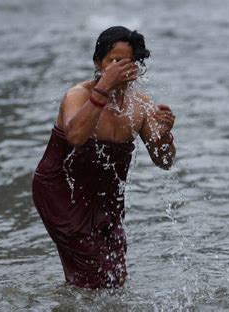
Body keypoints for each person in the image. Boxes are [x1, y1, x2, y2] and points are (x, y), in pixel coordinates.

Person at [31, 26, 176, 289]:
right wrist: (105, 87)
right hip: (61, 193)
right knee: (95, 274)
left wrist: (165, 137)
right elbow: (75, 136)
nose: (120, 69)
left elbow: (164, 162)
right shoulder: (77, 96)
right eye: (114, 62)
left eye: (127, 63)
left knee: (115, 274)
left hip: (104, 200)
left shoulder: (139, 105)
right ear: (98, 63)